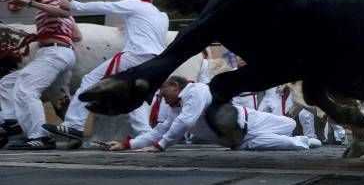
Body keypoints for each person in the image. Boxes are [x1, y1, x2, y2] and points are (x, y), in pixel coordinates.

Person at [43, 0, 169, 147]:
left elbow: (107, 7)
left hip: (134, 55)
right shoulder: (162, 16)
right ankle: (144, 134)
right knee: (135, 96)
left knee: (91, 79)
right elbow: (146, 31)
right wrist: (128, 26)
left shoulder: (137, 4)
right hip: (153, 60)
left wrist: (73, 5)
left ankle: (74, 125)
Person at [106, 76, 321, 151]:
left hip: (250, 120)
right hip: (240, 142)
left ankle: (299, 137)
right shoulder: (177, 108)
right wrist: (127, 145)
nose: (161, 96)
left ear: (174, 86)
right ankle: (303, 142)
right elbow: (161, 130)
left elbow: (186, 120)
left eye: (163, 91)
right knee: (290, 144)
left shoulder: (196, 91)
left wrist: (161, 146)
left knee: (289, 124)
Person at [0, 0, 79, 150]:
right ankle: (12, 120)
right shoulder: (51, 3)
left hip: (54, 53)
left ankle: (40, 137)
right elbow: (77, 36)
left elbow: (63, 12)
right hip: (61, 53)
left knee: (26, 89)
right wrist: (41, 35)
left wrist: (28, 3)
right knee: (6, 83)